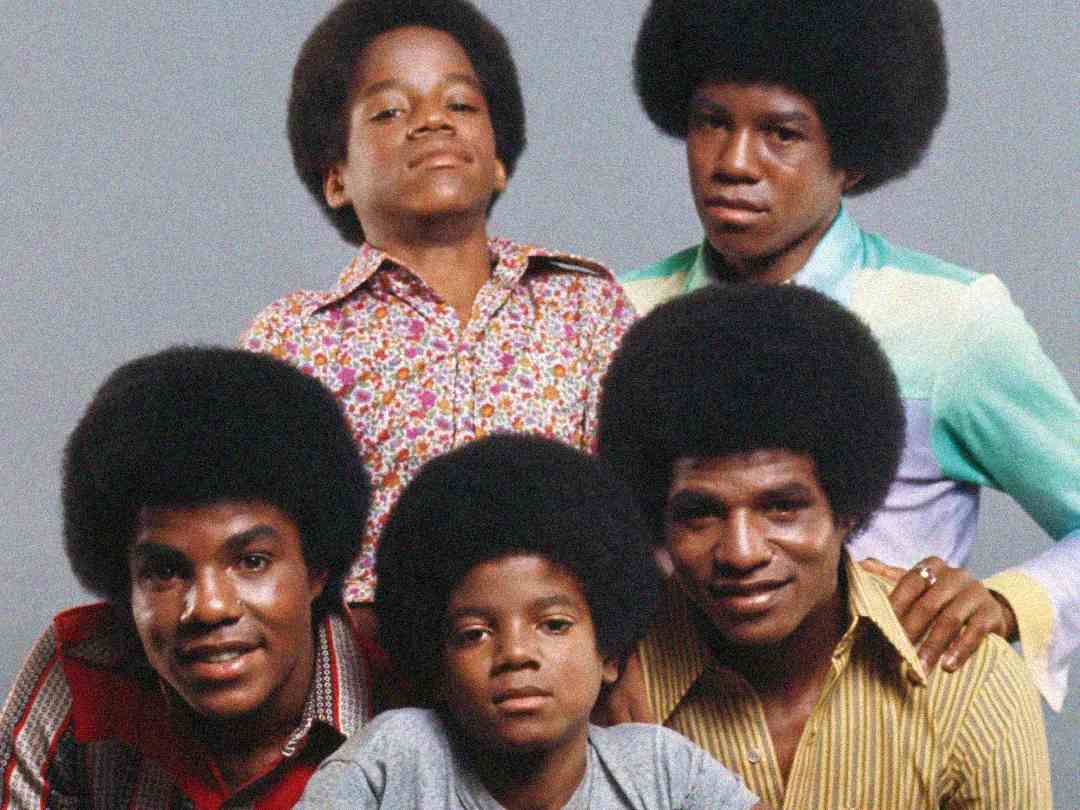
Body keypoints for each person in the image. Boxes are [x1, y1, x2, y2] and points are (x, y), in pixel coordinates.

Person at [619, 0, 1080, 710]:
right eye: (712, 122)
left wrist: (1011, 601)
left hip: (892, 735)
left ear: (854, 158)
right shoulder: (617, 312)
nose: (733, 163)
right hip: (671, 736)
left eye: (781, 133)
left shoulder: (950, 321)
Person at [242, 0, 635, 635]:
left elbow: (632, 520)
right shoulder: (293, 339)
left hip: (553, 662)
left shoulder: (585, 307)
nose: (432, 121)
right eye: (389, 111)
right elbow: (263, 550)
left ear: (499, 159)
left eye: (461, 104)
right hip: (369, 663)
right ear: (336, 178)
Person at [597, 284, 1051, 807]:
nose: (741, 552)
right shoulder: (606, 682)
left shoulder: (966, 681)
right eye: (700, 513)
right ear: (658, 518)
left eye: (781, 508)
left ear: (848, 506)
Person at [297, 434, 765, 810]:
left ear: (609, 654)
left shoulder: (659, 768)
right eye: (475, 634)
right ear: (437, 665)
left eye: (554, 625)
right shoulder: (396, 758)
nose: (516, 654)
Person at [0, 347, 377, 809]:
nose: (210, 607)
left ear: (316, 568)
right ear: (125, 581)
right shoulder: (83, 670)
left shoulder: (404, 697)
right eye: (165, 572)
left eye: (252, 562)